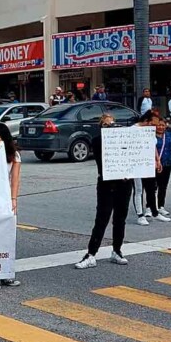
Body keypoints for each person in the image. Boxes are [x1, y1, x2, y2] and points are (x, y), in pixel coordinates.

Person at [75, 114, 132, 269]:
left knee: (120, 219)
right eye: (106, 125)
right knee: (102, 218)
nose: (110, 127)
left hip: (124, 183)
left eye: (112, 124)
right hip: (107, 184)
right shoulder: (97, 140)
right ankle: (91, 253)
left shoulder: (125, 141)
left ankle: (117, 250)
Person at [0, 123, 22, 290]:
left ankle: (7, 274)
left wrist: (13, 199)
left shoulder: (13, 155)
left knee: (8, 237)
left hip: (6, 200)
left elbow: (15, 179)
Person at [154, 120, 171, 217]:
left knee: (163, 186)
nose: (160, 127)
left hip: (167, 163)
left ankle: (161, 206)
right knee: (153, 186)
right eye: (158, 125)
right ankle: (151, 206)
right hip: (154, 164)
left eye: (162, 125)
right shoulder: (150, 136)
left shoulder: (169, 135)